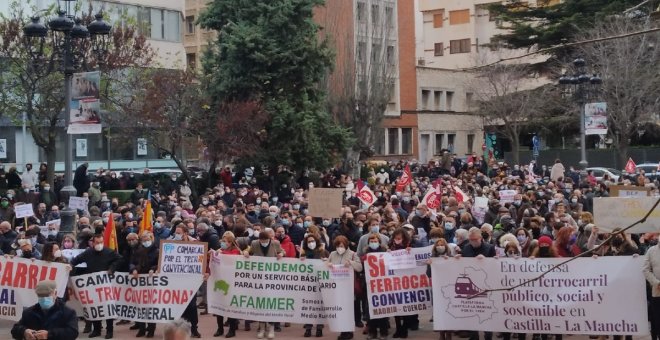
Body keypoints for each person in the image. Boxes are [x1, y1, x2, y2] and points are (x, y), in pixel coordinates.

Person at [70, 234, 121, 339]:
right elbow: (75, 261)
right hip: (92, 286)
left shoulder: (109, 252)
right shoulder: (88, 253)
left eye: (101, 242)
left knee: (107, 308)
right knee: (94, 307)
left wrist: (111, 269)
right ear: (93, 243)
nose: (99, 245)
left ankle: (109, 330)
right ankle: (96, 329)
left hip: (105, 285)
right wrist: (70, 266)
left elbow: (119, 259)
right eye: (97, 243)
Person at [244, 231, 285, 339]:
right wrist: (246, 252)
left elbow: (282, 251)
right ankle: (261, 328)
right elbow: (249, 250)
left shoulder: (275, 243)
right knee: (260, 304)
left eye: (266, 241)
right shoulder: (254, 243)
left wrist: (281, 254)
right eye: (262, 241)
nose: (264, 243)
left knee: (270, 303)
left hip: (272, 279)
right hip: (259, 279)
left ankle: (271, 328)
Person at [11, 280, 78, 340]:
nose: (44, 298)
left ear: (55, 293)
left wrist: (49, 334)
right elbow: (15, 330)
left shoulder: (68, 312)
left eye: (47, 295)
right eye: (41, 295)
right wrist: (24, 332)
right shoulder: (29, 312)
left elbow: (73, 332)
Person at [326, 235, 363, 340]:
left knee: (348, 310)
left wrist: (351, 263)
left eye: (342, 246)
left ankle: (349, 331)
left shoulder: (352, 254)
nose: (340, 248)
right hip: (337, 287)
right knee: (340, 310)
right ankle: (343, 331)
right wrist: (328, 264)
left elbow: (359, 268)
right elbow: (327, 264)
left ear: (346, 245)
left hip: (348, 288)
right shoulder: (333, 254)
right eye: (338, 246)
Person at [130, 231, 159, 338]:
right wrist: (133, 269)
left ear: (152, 239)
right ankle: (141, 329)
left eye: (148, 240)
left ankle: (151, 329)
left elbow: (159, 264)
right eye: (144, 240)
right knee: (140, 305)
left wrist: (153, 269)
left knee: (150, 307)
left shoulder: (157, 251)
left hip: (151, 282)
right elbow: (132, 262)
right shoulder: (138, 251)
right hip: (139, 281)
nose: (146, 242)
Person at [300, 233, 329, 337]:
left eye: (312, 241)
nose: (311, 243)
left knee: (319, 306)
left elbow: (330, 264)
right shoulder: (303, 253)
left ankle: (319, 328)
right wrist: (301, 261)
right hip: (307, 284)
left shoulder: (323, 252)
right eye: (308, 242)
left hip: (319, 284)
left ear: (316, 242)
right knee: (308, 306)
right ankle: (308, 328)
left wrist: (326, 261)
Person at [213, 231, 241, 338]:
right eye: (222, 241)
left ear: (230, 242)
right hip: (221, 281)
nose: (222, 243)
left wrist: (221, 254)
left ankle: (232, 330)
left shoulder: (236, 251)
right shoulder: (220, 250)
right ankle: (220, 329)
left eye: (225, 241)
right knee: (219, 306)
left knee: (231, 307)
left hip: (232, 282)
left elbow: (232, 258)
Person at [361, 233, 388, 340]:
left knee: (383, 310)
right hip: (370, 286)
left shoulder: (385, 252)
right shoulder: (365, 254)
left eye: (375, 241)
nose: (373, 243)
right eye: (371, 241)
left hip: (383, 285)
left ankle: (383, 332)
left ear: (379, 242)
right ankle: (372, 332)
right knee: (370, 310)